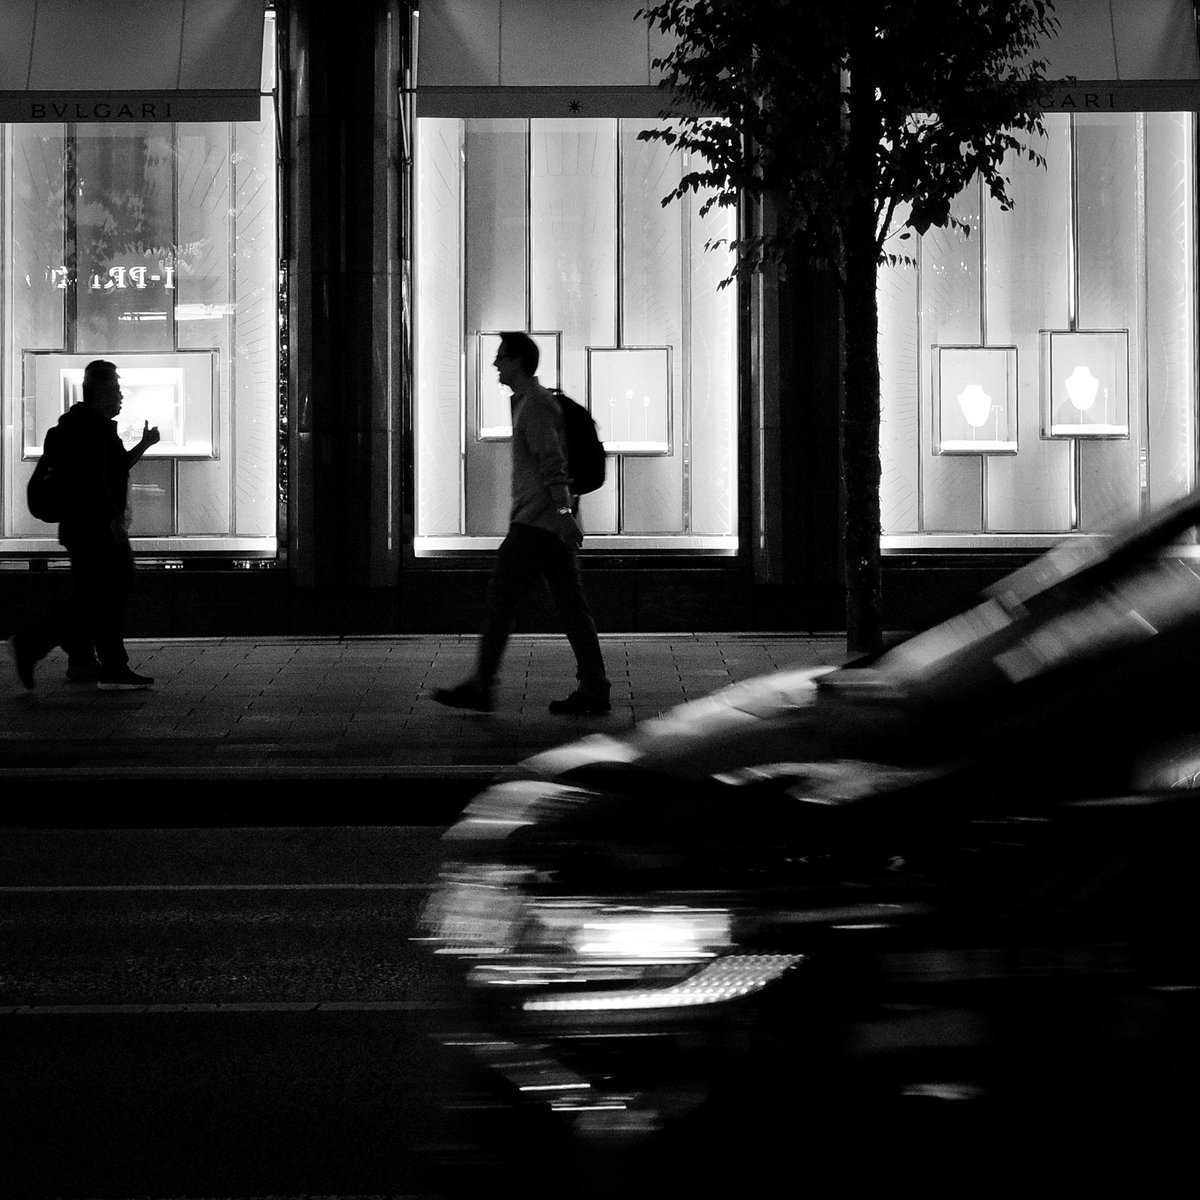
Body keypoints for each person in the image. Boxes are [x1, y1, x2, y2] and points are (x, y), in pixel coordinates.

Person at [433, 332, 611, 715]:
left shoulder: (535, 405)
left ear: (517, 361)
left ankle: (482, 684)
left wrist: (563, 516)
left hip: (537, 523)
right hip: (547, 521)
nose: (496, 364)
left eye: (500, 357)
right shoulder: (530, 402)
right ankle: (595, 686)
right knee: (570, 605)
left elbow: (553, 463)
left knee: (501, 597)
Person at [7, 360, 159, 691]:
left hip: (86, 529)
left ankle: (95, 662)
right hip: (95, 530)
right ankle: (35, 644)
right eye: (117, 389)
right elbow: (92, 481)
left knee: (100, 595)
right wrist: (111, 522)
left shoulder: (93, 427)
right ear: (101, 391)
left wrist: (146, 443)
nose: (121, 396)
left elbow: (116, 468)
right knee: (104, 593)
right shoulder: (89, 429)